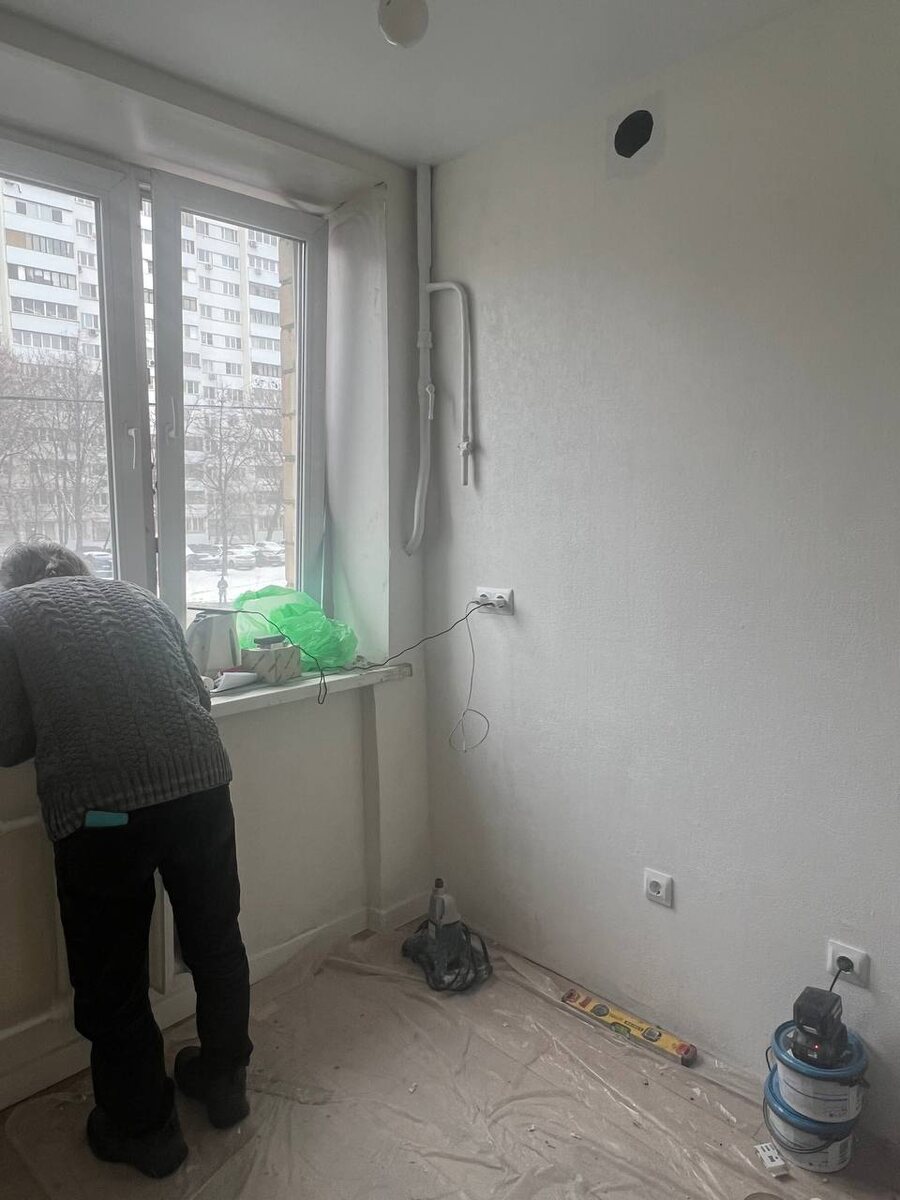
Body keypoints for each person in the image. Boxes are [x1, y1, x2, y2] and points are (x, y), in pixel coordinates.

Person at [0, 541, 252, 1179]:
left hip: (104, 815)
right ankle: (225, 1083)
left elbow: (6, 738)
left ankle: (145, 1131)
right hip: (201, 786)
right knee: (216, 940)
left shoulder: (9, 613)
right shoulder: (141, 597)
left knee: (112, 978)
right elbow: (196, 694)